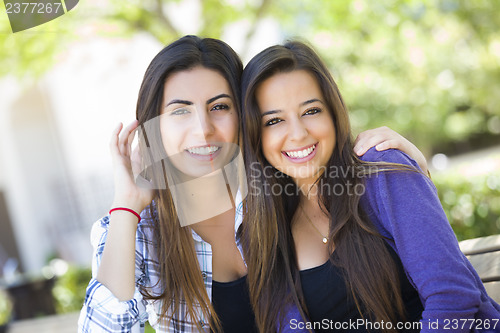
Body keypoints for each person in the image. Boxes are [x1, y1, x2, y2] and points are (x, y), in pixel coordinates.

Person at [78, 35, 430, 333]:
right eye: (180, 111)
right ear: (153, 125)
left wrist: (414, 163)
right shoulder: (140, 231)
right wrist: (127, 203)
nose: (203, 129)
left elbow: (397, 214)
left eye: (219, 106)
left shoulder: (282, 187)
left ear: (245, 113)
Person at [240, 40, 500, 333]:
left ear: (333, 112)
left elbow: (453, 297)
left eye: (311, 111)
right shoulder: (262, 231)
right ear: (255, 136)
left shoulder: (379, 169)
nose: (298, 134)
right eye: (274, 120)